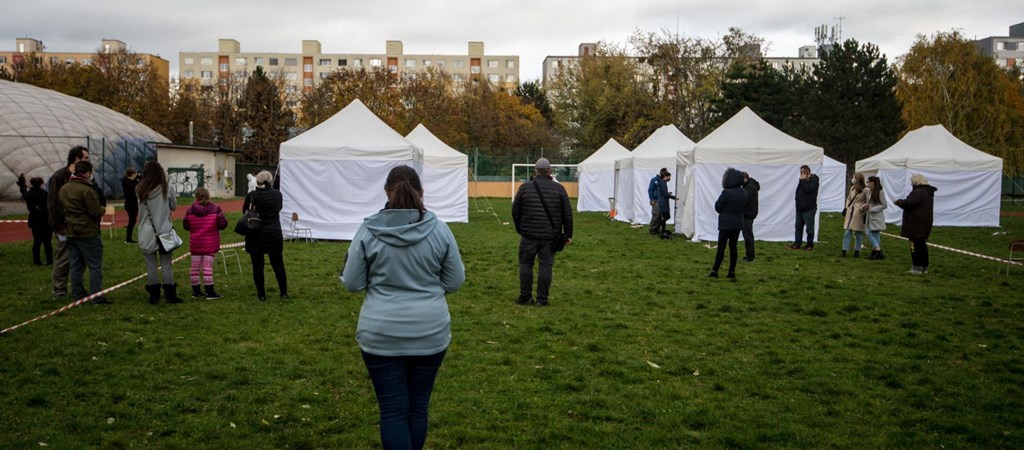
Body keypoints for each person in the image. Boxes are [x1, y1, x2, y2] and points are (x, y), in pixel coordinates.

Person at [341, 165, 465, 450]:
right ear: (422, 193)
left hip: (380, 331)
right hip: (430, 330)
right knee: (417, 408)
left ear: (386, 191)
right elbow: (455, 281)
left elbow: (352, 282)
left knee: (393, 411)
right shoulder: (440, 230)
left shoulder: (367, 230)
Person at [511, 158, 573, 306]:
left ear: (535, 171)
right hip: (550, 237)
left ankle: (525, 297)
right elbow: (567, 214)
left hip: (528, 235)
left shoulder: (524, 188)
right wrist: (568, 235)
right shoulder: (560, 189)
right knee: (546, 266)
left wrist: (520, 228)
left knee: (525, 264)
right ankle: (542, 299)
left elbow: (515, 210)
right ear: (550, 171)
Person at [58, 160, 110, 304]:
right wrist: (103, 209)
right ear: (87, 173)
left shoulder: (64, 188)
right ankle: (96, 296)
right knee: (95, 265)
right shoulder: (87, 189)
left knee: (75, 265)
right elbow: (95, 211)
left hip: (71, 230)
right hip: (87, 231)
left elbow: (60, 208)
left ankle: (78, 294)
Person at [137, 160, 182, 304]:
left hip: (146, 232)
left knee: (150, 266)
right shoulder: (167, 188)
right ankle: (170, 295)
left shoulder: (139, 189)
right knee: (167, 265)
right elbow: (174, 205)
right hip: (164, 231)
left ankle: (154, 294)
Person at [47, 145, 89, 299]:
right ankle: (59, 291)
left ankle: (78, 289)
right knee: (63, 259)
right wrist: (58, 225)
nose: (88, 161)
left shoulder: (85, 177)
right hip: (64, 226)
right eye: (85, 158)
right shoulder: (59, 177)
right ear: (76, 159)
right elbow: (52, 203)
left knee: (81, 259)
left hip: (82, 226)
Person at [243, 170, 288, 301]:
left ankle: (261, 294)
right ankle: (283, 292)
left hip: (256, 233)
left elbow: (245, 211)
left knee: (257, 266)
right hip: (274, 232)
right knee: (278, 264)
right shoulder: (278, 195)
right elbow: (279, 208)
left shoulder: (252, 196)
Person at [183, 187, 228, 299]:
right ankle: (210, 291)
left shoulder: (190, 210)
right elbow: (223, 225)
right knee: (207, 267)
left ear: (196, 197)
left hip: (196, 242)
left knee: (195, 267)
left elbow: (186, 226)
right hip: (210, 242)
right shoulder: (216, 209)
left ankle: (196, 291)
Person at [709, 168, 747, 279]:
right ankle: (731, 271)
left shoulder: (726, 192)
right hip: (737, 223)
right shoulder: (744, 192)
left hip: (725, 223)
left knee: (721, 248)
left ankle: (715, 271)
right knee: (733, 247)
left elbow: (718, 207)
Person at [895, 174, 937, 274]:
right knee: (922, 245)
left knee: (914, 245)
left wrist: (899, 202)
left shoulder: (919, 192)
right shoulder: (927, 192)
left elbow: (908, 203)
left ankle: (917, 267)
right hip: (924, 222)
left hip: (915, 223)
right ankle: (924, 267)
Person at [787, 165, 819, 251]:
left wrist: (803, 180)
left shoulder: (814, 181)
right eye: (800, 173)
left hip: (809, 209)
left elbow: (808, 189)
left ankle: (809, 245)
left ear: (807, 173)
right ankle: (797, 243)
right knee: (798, 227)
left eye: (802, 173)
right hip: (800, 208)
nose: (801, 175)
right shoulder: (802, 181)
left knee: (809, 228)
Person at [26, 177, 53, 266]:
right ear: (41, 184)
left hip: (35, 221)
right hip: (45, 220)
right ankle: (49, 260)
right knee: (47, 242)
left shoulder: (29, 194)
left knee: (37, 241)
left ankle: (36, 261)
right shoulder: (44, 194)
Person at [841, 172, 868, 257]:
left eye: (854, 178)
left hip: (858, 212)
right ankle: (844, 250)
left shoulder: (865, 190)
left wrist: (863, 207)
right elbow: (849, 198)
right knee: (847, 232)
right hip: (850, 211)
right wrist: (847, 207)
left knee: (858, 233)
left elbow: (869, 201)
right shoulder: (852, 188)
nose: (853, 179)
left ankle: (857, 251)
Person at [864, 176, 887, 260]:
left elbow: (884, 205)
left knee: (869, 232)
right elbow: (869, 202)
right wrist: (866, 206)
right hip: (870, 216)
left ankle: (877, 249)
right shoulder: (870, 191)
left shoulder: (880, 192)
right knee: (875, 234)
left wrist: (873, 209)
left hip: (876, 216)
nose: (867, 184)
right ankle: (875, 251)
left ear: (873, 182)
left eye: (868, 182)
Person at [741, 172, 760, 262]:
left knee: (748, 236)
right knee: (748, 235)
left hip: (748, 214)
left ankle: (750, 256)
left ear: (745, 179)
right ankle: (749, 254)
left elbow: (746, 200)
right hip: (751, 213)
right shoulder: (751, 186)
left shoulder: (748, 187)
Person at [654, 171, 677, 239]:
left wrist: (667, 193)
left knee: (664, 217)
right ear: (665, 177)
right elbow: (665, 194)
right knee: (667, 217)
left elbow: (663, 192)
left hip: (662, 202)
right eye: (669, 177)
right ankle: (657, 227)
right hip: (664, 203)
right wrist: (673, 197)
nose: (669, 178)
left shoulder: (661, 183)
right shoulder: (663, 183)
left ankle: (662, 230)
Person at [121, 167, 140, 243]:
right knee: (132, 221)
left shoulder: (127, 181)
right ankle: (128, 238)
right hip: (131, 203)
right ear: (132, 174)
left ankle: (129, 238)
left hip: (130, 203)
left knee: (132, 220)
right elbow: (135, 184)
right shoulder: (129, 183)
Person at [648, 168, 668, 234]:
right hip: (656, 200)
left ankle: (657, 228)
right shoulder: (654, 180)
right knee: (656, 214)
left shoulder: (663, 180)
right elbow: (650, 190)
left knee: (660, 215)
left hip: (662, 200)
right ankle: (652, 229)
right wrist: (652, 199)